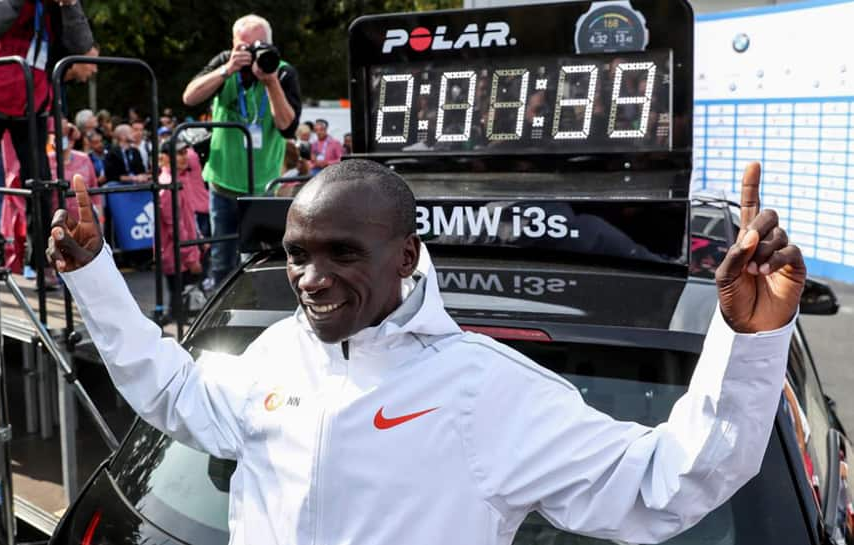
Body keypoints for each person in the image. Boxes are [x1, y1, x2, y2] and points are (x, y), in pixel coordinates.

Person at [48, 160, 806, 545]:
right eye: (297, 254)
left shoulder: (485, 388)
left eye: (341, 252)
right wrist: (96, 277)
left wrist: (748, 338)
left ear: (406, 254)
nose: (312, 279)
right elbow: (180, 396)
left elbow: (663, 482)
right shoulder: (277, 353)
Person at [0, 0, 94, 283]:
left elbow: (82, 46)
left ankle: (42, 261)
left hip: (31, 100)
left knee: (40, 183)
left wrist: (70, 5)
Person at [182, 14, 301, 288]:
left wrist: (270, 81)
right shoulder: (225, 63)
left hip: (263, 186)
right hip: (222, 185)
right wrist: (227, 69)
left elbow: (287, 127)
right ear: (234, 45)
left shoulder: (282, 72)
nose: (249, 53)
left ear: (269, 45)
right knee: (222, 258)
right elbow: (189, 97)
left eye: (256, 45)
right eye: (242, 46)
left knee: (259, 260)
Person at [156, 141, 203, 318]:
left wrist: (199, 238)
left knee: (185, 307)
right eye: (179, 153)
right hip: (178, 255)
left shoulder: (181, 179)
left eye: (185, 152)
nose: (184, 157)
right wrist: (191, 258)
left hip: (186, 250)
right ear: (166, 157)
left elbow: (189, 216)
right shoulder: (168, 185)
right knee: (180, 311)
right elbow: (175, 227)